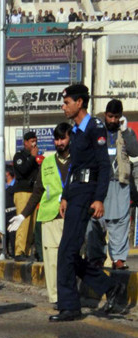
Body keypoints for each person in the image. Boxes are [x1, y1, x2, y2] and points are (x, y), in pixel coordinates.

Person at [50, 83, 127, 321]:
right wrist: (64, 196)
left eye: (66, 102)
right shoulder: (75, 132)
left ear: (79, 103)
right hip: (75, 192)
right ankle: (110, 287)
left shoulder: (95, 127)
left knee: (66, 250)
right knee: (69, 251)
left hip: (87, 192)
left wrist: (99, 198)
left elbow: (104, 165)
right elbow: (73, 166)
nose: (63, 107)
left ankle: (70, 306)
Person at [9, 122, 72, 306]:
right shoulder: (46, 162)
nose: (59, 142)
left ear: (70, 139)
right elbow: (37, 191)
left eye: (63, 138)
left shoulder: (78, 160)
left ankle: (69, 295)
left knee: (70, 259)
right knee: (51, 262)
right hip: (49, 217)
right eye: (57, 139)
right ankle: (57, 299)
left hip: (72, 216)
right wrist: (23, 215)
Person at [86, 99, 138, 270]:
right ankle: (96, 259)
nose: (113, 120)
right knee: (95, 221)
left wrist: (125, 130)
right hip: (100, 183)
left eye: (117, 117)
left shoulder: (125, 133)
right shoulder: (97, 130)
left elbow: (134, 151)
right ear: (105, 115)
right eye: (110, 116)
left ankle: (119, 260)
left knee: (120, 223)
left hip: (120, 183)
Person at [11, 131, 39, 260]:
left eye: (35, 140)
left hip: (33, 192)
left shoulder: (35, 158)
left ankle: (26, 251)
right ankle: (19, 251)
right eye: (31, 141)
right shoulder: (19, 156)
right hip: (22, 192)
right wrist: (32, 157)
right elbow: (23, 171)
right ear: (26, 142)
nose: (34, 143)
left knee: (31, 223)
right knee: (23, 221)